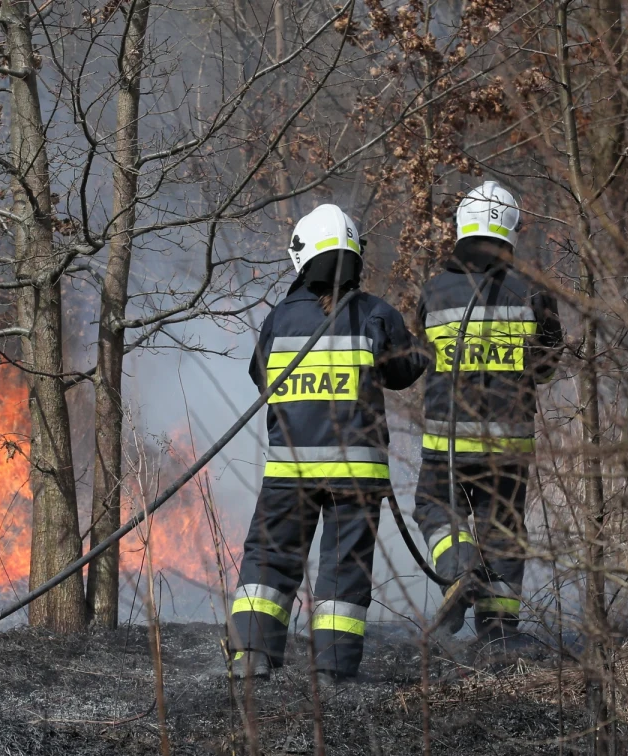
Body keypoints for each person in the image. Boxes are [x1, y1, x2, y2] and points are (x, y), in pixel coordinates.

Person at [228, 203, 429, 682]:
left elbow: (261, 377)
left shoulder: (278, 319)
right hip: (354, 475)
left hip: (289, 472)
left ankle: (251, 656)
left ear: (301, 256)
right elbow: (403, 372)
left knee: (269, 561)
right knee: (344, 568)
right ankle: (332, 671)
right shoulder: (376, 314)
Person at [412, 181, 563, 644]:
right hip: (508, 447)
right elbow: (546, 369)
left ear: (461, 227)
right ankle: (498, 636)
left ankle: (459, 571)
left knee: (436, 510)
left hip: (446, 445)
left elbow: (420, 358)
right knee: (502, 531)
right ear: (511, 231)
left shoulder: (434, 292)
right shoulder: (532, 292)